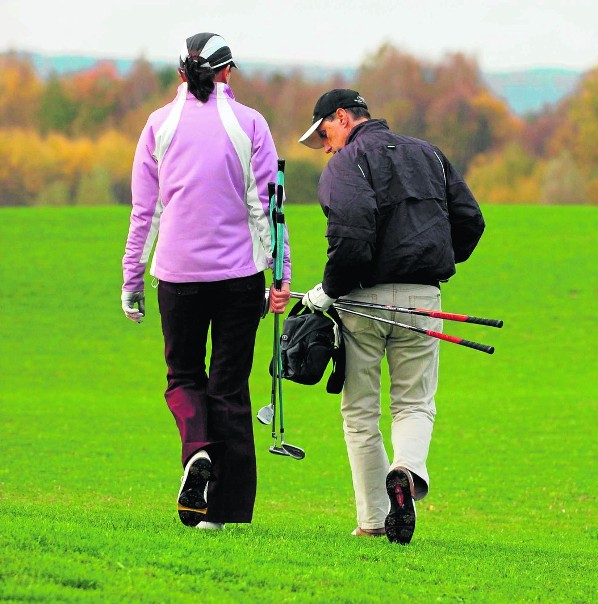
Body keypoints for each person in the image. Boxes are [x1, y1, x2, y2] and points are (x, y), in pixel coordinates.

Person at [270, 89, 485, 544]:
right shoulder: (430, 155)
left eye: (325, 134)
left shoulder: (346, 166)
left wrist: (327, 292)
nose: (326, 147)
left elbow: (351, 241)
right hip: (425, 299)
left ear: (343, 117)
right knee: (414, 403)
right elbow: (470, 221)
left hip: (360, 302)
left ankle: (372, 520)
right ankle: (405, 471)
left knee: (360, 413)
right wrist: (433, 260)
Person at [121, 32, 290, 530]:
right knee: (230, 387)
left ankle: (196, 451)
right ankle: (227, 515)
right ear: (227, 72)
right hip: (239, 280)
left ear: (180, 73)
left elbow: (143, 214)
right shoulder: (251, 123)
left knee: (184, 379)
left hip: (176, 278)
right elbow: (269, 210)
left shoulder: (157, 125)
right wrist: (279, 276)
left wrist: (132, 280)